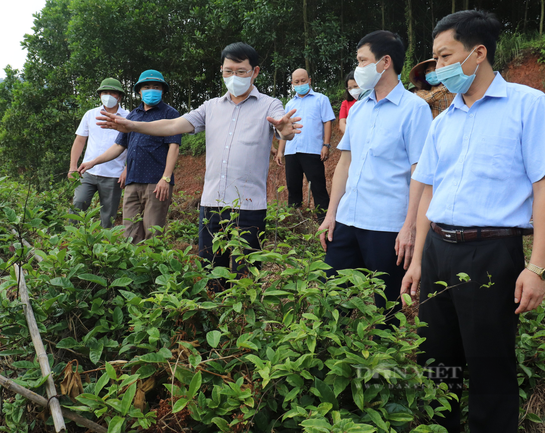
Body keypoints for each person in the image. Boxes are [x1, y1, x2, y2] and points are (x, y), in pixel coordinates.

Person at [400, 10, 545, 433]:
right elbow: (430, 193)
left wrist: (537, 266)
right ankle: (441, 426)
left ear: (478, 52)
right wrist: (419, 260)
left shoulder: (528, 105)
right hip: (437, 249)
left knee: (490, 363)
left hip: (490, 252)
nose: (437, 69)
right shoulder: (444, 121)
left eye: (444, 56)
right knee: (438, 360)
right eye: (434, 59)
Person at [94, 43, 300, 279]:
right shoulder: (210, 107)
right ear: (221, 71)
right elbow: (173, 125)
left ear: (255, 72)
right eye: (228, 71)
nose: (234, 77)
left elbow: (285, 130)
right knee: (212, 273)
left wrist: (285, 131)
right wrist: (132, 125)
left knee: (247, 275)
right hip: (211, 204)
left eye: (241, 71)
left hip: (249, 207)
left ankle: (242, 316)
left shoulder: (270, 105)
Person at [318, 31, 432, 329]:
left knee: (387, 310)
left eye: (362, 60)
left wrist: (410, 226)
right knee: (329, 300)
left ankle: (384, 371)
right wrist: (331, 214)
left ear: (384, 62)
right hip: (348, 221)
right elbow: (344, 164)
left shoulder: (414, 109)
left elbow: (420, 172)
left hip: (387, 226)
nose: (358, 67)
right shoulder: (358, 110)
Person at [78, 69, 182, 243]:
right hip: (133, 181)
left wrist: (166, 177)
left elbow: (174, 147)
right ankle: (135, 269)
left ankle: (151, 269)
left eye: (156, 87)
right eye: (146, 87)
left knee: (152, 232)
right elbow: (119, 146)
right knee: (130, 233)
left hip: (155, 182)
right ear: (139, 91)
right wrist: (92, 162)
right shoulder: (133, 115)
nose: (151, 90)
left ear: (162, 90)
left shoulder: (169, 114)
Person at [68, 78, 129, 228]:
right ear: (100, 95)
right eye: (105, 93)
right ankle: (70, 240)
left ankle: (106, 246)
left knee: (108, 215)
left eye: (112, 93)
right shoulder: (90, 115)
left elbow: (133, 146)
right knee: (78, 204)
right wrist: (72, 166)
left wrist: (127, 169)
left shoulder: (128, 117)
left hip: (114, 173)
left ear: (119, 96)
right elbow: (80, 140)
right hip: (87, 171)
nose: (108, 96)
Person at [275, 68, 334, 220]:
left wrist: (326, 145)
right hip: (292, 151)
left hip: (312, 150)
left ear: (309, 80)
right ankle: (296, 223)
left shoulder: (321, 99)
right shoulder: (289, 104)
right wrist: (280, 151)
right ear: (292, 84)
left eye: (303, 80)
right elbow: (284, 130)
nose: (300, 84)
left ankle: (324, 221)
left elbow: (327, 121)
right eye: (297, 82)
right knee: (293, 188)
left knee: (318, 187)